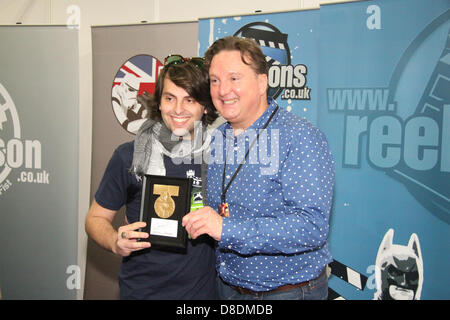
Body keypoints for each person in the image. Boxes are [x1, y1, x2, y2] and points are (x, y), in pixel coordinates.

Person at [182, 36, 335, 300]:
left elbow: (311, 227)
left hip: (286, 292)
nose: (222, 90)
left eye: (234, 78)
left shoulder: (300, 137)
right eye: (215, 80)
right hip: (227, 287)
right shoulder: (217, 137)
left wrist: (226, 229)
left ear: (262, 82)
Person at [85, 54, 219, 299]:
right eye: (170, 98)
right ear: (159, 103)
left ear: (205, 106)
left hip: (200, 296)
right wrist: (115, 240)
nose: (178, 109)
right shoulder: (129, 155)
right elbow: (95, 218)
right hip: (141, 292)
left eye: (189, 100)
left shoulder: (221, 158)